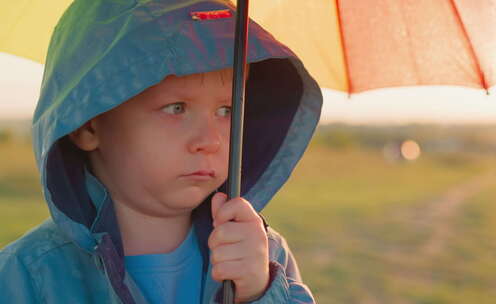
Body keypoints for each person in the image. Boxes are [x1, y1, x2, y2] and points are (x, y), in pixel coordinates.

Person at [0, 0, 322, 303]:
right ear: (88, 126)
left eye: (225, 111)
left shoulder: (262, 255)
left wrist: (258, 293)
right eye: (177, 108)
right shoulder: (29, 275)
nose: (210, 140)